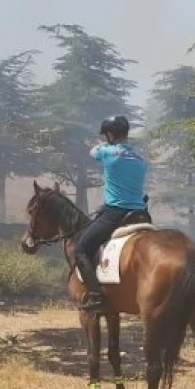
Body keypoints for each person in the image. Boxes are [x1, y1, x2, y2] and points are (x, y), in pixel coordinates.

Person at [73, 115, 148, 314]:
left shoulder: (106, 152)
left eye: (106, 134)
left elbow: (93, 152)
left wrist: (103, 143)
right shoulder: (139, 156)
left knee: (80, 249)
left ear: (110, 135)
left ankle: (96, 295)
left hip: (116, 212)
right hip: (140, 212)